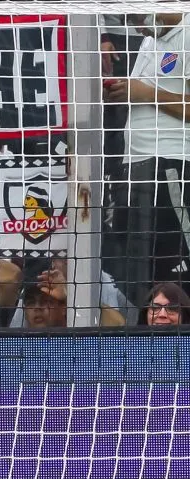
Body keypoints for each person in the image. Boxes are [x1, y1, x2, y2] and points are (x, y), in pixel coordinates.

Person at [102, 12, 190, 306]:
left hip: (172, 164)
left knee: (176, 264)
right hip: (135, 167)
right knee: (139, 270)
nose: (136, 26)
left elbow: (151, 94)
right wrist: (119, 90)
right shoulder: (150, 38)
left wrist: (145, 92)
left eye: (137, 16)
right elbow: (142, 95)